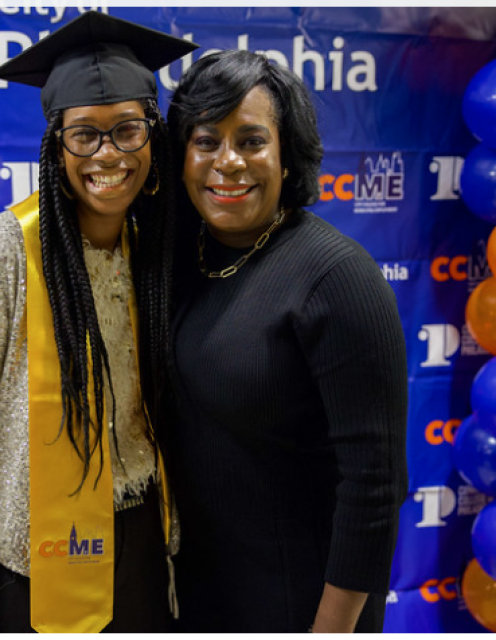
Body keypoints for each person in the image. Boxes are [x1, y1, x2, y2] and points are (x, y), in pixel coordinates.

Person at [0, 11, 197, 634]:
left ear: (153, 134)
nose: (109, 154)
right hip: (32, 565)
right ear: (56, 145)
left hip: (146, 548)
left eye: (128, 130)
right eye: (85, 135)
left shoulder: (151, 251)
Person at [164, 49, 408, 633]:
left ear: (287, 153)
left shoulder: (336, 277)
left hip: (300, 604)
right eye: (206, 141)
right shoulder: (181, 258)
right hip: (199, 596)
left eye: (250, 141)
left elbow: (375, 486)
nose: (227, 163)